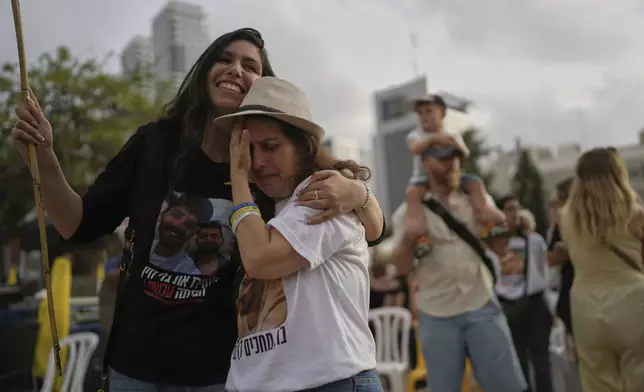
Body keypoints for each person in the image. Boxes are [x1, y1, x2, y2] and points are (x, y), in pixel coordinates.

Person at [11, 28, 385, 391]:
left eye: (251, 66)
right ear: (204, 71)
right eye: (224, 59)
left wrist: (358, 195)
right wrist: (45, 160)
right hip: (135, 362)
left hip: (219, 371)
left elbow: (365, 234)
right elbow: (78, 225)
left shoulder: (272, 173)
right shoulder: (155, 143)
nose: (236, 69)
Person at [218, 76, 382, 391]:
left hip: (328, 382)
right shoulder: (270, 208)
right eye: (248, 150)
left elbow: (262, 260)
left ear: (304, 147)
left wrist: (238, 176)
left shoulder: (323, 191)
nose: (258, 162)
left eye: (270, 146)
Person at [386, 145, 526, 392]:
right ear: (426, 163)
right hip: (437, 314)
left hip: (481, 303)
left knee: (508, 386)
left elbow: (500, 246)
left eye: (455, 158)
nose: (451, 164)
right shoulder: (409, 211)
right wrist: (410, 238)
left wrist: (496, 219)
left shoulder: (474, 200)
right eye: (442, 159)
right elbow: (402, 267)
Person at [559, 147, 644, 391]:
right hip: (634, 303)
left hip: (586, 307)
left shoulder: (567, 217)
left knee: (597, 380)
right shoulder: (636, 213)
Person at [403, 94, 503, 238]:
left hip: (455, 176)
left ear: (442, 113)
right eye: (420, 113)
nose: (424, 116)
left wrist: (455, 145)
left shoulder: (452, 134)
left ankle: (485, 214)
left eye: (429, 111)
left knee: (475, 183)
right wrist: (434, 139)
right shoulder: (416, 135)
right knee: (412, 194)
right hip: (422, 178)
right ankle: (420, 233)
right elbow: (415, 148)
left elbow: (465, 153)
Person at [496, 195, 553, 392]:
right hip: (508, 306)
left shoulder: (534, 240)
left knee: (542, 363)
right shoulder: (495, 244)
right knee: (517, 364)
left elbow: (544, 272)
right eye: (510, 208)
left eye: (517, 208)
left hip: (534, 302)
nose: (515, 212)